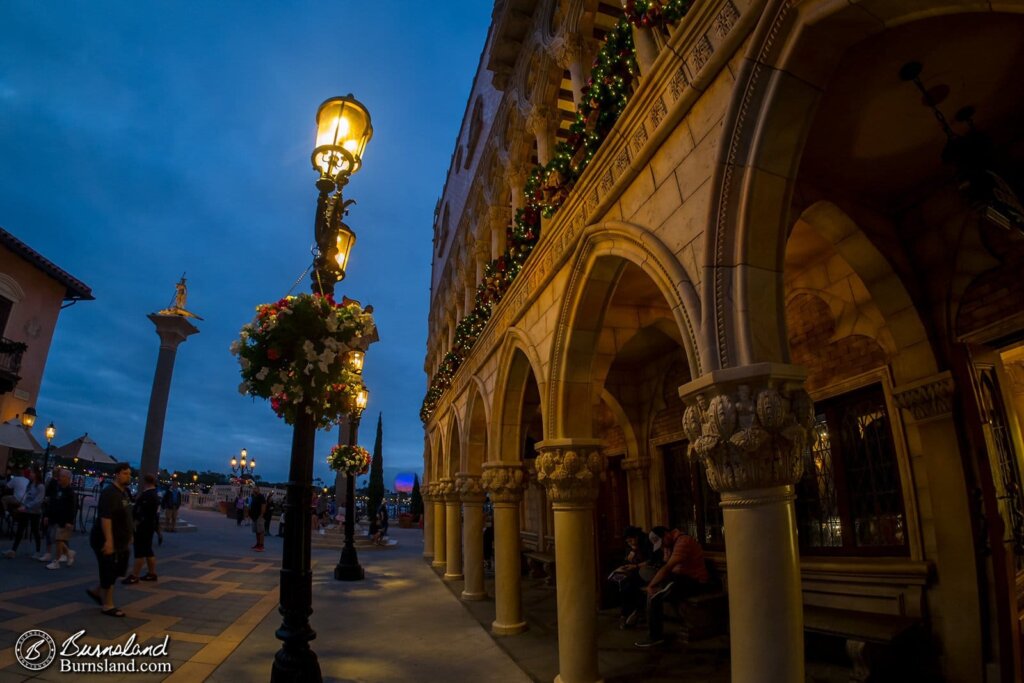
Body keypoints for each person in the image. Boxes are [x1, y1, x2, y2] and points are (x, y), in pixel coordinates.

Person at [634, 526, 709, 648]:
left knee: (655, 595)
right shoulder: (668, 545)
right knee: (646, 575)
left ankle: (655, 636)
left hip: (693, 580)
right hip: (676, 577)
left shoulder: (683, 541)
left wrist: (652, 585)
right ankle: (644, 619)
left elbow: (668, 567)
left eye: (662, 542)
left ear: (666, 534)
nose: (662, 546)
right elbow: (665, 566)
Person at [86, 463, 133, 617]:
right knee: (108, 570)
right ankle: (108, 605)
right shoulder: (110, 493)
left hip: (121, 540)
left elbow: (126, 514)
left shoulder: (124, 492)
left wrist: (129, 535)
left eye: (129, 473)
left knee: (118, 569)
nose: (128, 476)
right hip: (105, 539)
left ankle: (97, 591)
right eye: (125, 473)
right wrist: (109, 541)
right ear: (117, 474)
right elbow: (106, 518)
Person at [610, 526, 650, 629]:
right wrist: (627, 563)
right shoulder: (630, 547)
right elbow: (627, 561)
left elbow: (651, 561)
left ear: (636, 536)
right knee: (623, 584)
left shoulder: (647, 542)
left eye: (631, 540)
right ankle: (626, 614)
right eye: (628, 542)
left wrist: (637, 559)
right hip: (634, 573)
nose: (630, 543)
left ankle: (633, 613)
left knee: (630, 585)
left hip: (647, 573)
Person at [123, 473, 160, 584]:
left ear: (146, 483)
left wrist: (134, 524)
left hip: (143, 527)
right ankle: (152, 573)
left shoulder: (148, 495)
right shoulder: (155, 495)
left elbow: (141, 512)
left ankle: (135, 575)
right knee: (148, 551)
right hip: (149, 526)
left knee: (140, 551)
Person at [3, 467, 45, 559]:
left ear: (37, 474)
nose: (30, 474)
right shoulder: (30, 484)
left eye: (32, 473)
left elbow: (38, 500)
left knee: (35, 531)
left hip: (35, 512)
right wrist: (23, 505)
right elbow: (26, 496)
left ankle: (38, 551)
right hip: (26, 510)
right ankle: (13, 550)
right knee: (20, 529)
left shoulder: (40, 486)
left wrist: (26, 506)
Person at [45, 469, 77, 569]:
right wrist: (48, 515)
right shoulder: (58, 489)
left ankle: (56, 561)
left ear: (67, 479)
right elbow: (53, 502)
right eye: (60, 476)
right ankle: (68, 553)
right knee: (58, 539)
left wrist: (70, 521)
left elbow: (72, 508)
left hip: (64, 520)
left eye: (62, 476)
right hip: (56, 517)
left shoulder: (70, 492)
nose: (60, 478)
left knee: (58, 539)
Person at [249, 485, 266, 551]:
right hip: (254, 516)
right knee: (256, 531)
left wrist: (261, 515)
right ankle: (258, 544)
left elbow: (263, 506)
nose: (254, 490)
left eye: (255, 488)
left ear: (259, 489)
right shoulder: (253, 497)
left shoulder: (261, 497)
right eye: (253, 489)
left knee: (261, 531)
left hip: (259, 516)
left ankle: (261, 545)